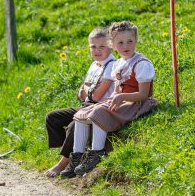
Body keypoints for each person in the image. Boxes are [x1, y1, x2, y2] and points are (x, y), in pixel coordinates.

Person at [60, 21, 158, 178]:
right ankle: (77, 157)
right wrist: (114, 98)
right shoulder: (118, 64)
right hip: (121, 100)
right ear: (112, 44)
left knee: (99, 111)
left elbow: (144, 94)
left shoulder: (141, 63)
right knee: (82, 114)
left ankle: (97, 152)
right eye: (120, 42)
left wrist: (121, 97)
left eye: (130, 41)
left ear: (136, 41)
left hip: (136, 102)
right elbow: (117, 91)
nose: (125, 46)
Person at [45, 27, 116, 177]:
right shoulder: (94, 65)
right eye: (93, 47)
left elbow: (96, 96)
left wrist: (87, 89)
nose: (97, 50)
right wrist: (87, 90)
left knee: (73, 125)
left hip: (98, 110)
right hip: (86, 106)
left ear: (111, 46)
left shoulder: (111, 65)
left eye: (102, 46)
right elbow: (81, 93)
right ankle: (69, 152)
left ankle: (64, 162)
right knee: (52, 117)